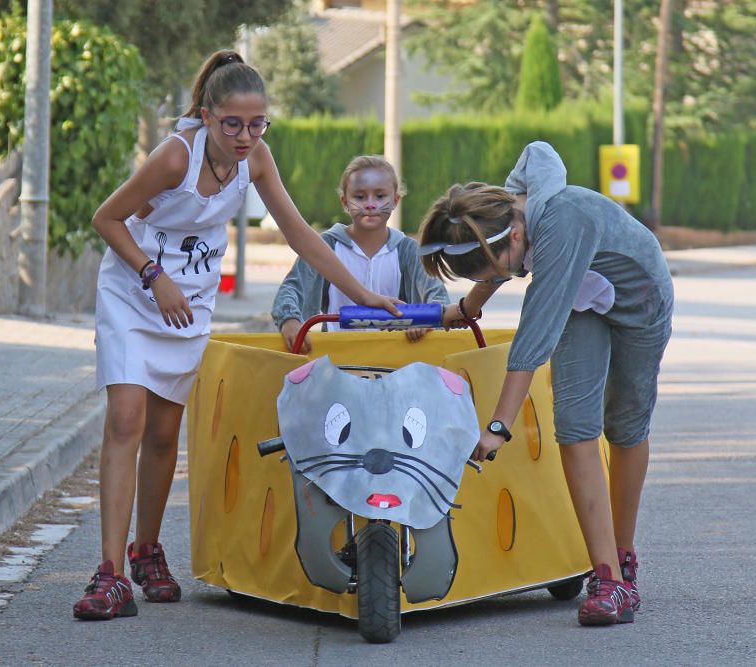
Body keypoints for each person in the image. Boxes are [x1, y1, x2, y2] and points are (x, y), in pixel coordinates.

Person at [74, 50, 403, 621]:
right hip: (134, 292)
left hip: (190, 304)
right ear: (207, 116)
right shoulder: (176, 157)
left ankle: (148, 552)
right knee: (126, 418)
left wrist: (364, 292)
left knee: (163, 433)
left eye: (257, 124)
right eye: (233, 124)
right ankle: (109, 575)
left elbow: (300, 233)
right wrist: (155, 279)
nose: (246, 135)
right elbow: (107, 218)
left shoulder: (256, 160)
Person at [418, 141, 673, 627]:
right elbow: (536, 151)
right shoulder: (510, 212)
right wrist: (469, 306)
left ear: (516, 232)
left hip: (640, 299)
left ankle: (625, 552)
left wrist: (498, 426)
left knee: (624, 425)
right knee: (575, 427)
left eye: (509, 267)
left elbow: (533, 337)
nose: (511, 274)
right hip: (586, 304)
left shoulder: (561, 223)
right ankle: (609, 579)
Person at [272, 155, 449, 353]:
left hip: (394, 362)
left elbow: (438, 297)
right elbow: (292, 289)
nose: (370, 204)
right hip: (335, 359)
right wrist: (290, 320)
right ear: (345, 202)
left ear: (395, 200)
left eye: (380, 196)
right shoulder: (326, 246)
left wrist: (426, 320)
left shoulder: (408, 251)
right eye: (360, 196)